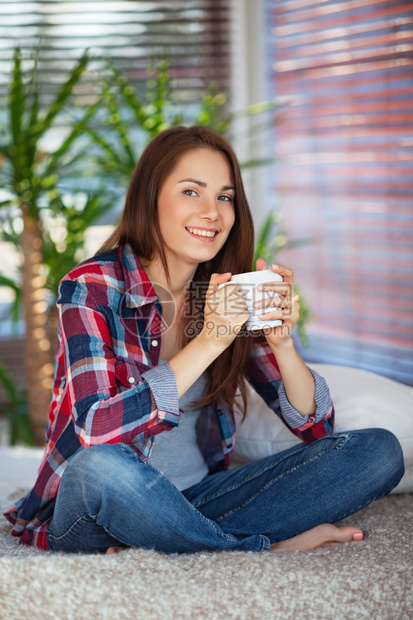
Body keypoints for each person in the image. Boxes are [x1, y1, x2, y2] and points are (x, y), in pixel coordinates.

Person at [4, 126, 404, 554]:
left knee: (378, 451)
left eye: (225, 197)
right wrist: (211, 340)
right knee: (103, 466)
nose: (212, 212)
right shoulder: (92, 287)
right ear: (150, 196)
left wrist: (283, 344)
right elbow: (96, 430)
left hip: (196, 502)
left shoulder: (224, 293)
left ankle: (185, 541)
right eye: (192, 192)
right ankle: (259, 549)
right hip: (100, 505)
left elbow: (316, 429)